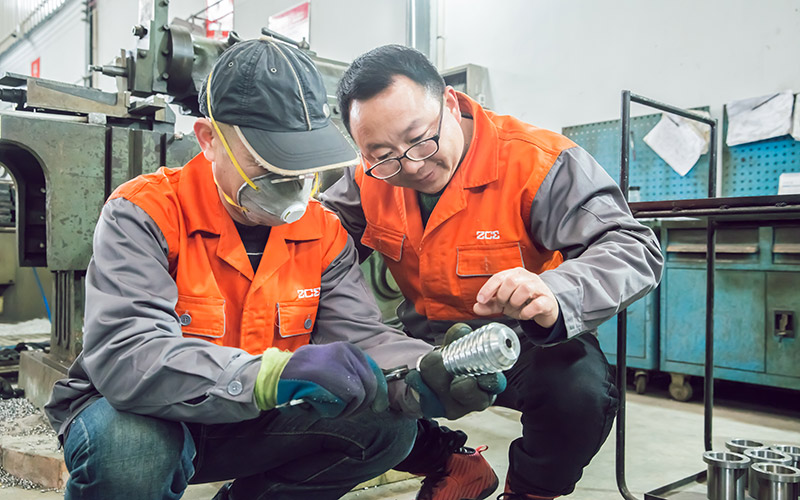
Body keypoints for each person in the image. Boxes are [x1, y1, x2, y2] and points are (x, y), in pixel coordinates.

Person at [44, 38, 504, 500]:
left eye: (304, 165)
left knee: (386, 428)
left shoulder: (323, 232)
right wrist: (271, 376)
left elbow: (361, 338)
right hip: (144, 412)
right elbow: (131, 356)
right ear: (209, 140)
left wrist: (423, 371)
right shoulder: (144, 213)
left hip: (251, 414)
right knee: (131, 451)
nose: (292, 186)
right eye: (271, 164)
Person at [320, 44, 665, 500]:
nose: (412, 165)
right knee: (328, 375)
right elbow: (312, 245)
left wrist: (555, 292)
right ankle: (450, 463)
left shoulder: (536, 161)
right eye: (383, 154)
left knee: (579, 392)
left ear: (449, 102)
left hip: (521, 342)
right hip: (421, 341)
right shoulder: (369, 178)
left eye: (420, 139)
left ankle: (530, 492)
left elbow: (632, 247)